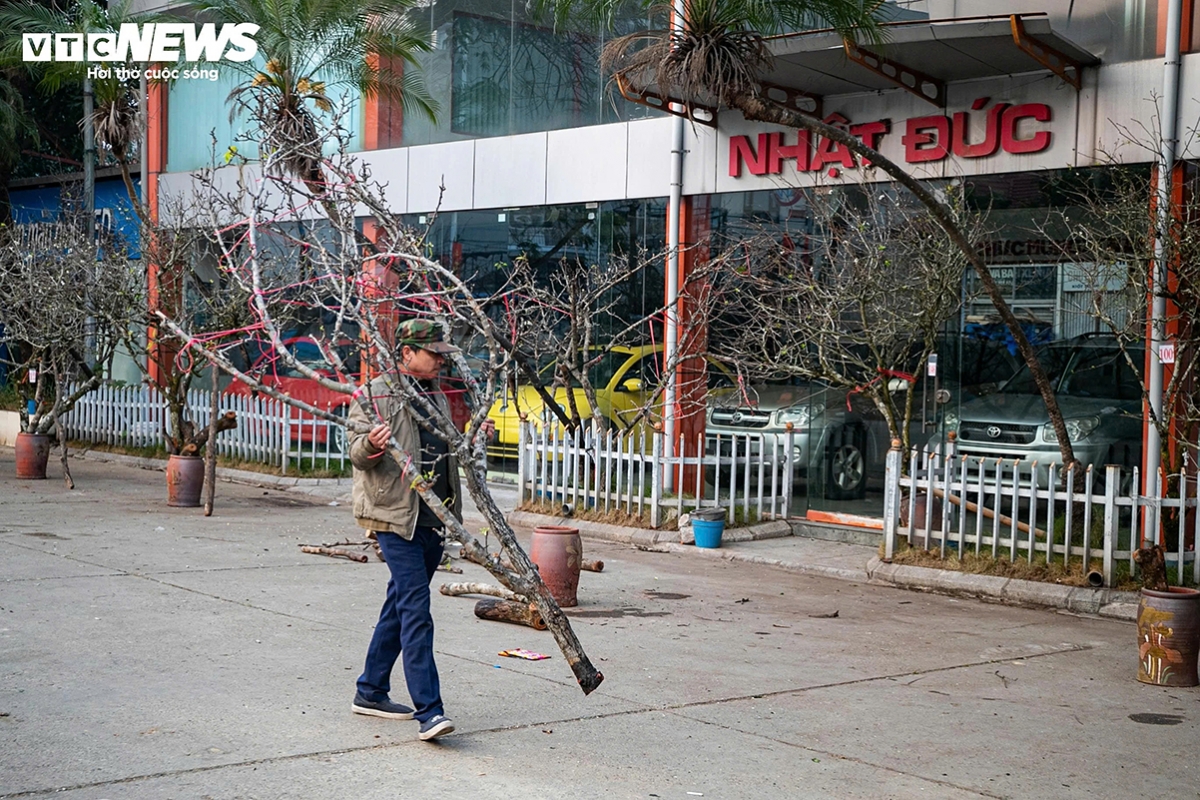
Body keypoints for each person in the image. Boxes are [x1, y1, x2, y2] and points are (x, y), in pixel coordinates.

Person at [347, 319, 464, 742]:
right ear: (407, 353)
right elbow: (355, 452)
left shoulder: (437, 394)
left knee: (399, 605)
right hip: (394, 516)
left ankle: (370, 690)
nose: (439, 361)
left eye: (442, 354)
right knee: (416, 608)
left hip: (433, 518)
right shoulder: (376, 394)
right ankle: (430, 711)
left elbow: (443, 452)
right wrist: (371, 444)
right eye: (432, 354)